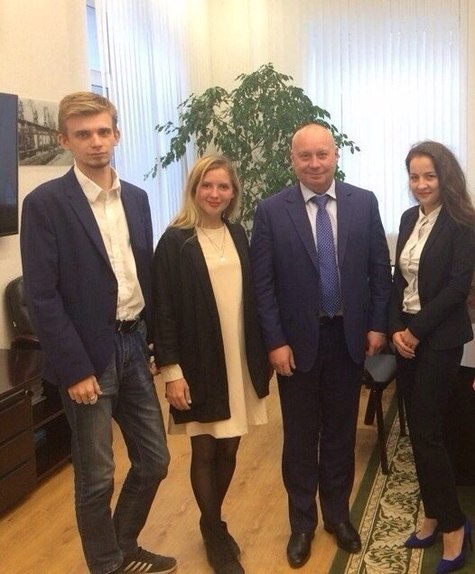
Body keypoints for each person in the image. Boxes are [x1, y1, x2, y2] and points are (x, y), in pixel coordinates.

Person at [20, 92, 176, 574]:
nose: (96, 142)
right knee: (96, 476)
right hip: (87, 356)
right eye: (83, 134)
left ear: (117, 134)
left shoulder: (137, 198)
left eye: (103, 131)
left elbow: (142, 274)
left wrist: (154, 341)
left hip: (134, 344)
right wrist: (74, 369)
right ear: (64, 140)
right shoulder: (45, 204)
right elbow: (42, 296)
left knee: (154, 459)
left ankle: (123, 546)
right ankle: (106, 565)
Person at [250, 122, 392, 568]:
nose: (315, 163)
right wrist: (274, 341)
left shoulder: (363, 202)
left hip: (349, 338)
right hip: (296, 345)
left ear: (335, 156)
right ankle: (302, 525)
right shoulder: (271, 211)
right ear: (292, 160)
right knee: (299, 439)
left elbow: (379, 270)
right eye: (305, 156)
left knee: (339, 434)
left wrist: (377, 325)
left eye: (322, 154)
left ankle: (337, 516)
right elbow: (263, 286)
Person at [153, 155, 270, 574]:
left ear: (233, 192)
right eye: (207, 185)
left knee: (231, 444)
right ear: (194, 189)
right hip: (199, 363)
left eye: (223, 186)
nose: (215, 193)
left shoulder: (237, 234)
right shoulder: (175, 241)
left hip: (239, 358)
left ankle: (212, 522)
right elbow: (163, 311)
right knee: (204, 447)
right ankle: (214, 530)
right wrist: (172, 372)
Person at [389, 141, 475, 574]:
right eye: (414, 176)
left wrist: (415, 332)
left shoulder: (463, 222)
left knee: (427, 432)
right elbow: (399, 280)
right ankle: (434, 513)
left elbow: (458, 288)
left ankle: (454, 525)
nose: (421, 184)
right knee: (420, 434)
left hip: (439, 339)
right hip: (405, 337)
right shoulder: (409, 218)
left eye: (429, 176)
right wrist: (395, 329)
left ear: (445, 177)